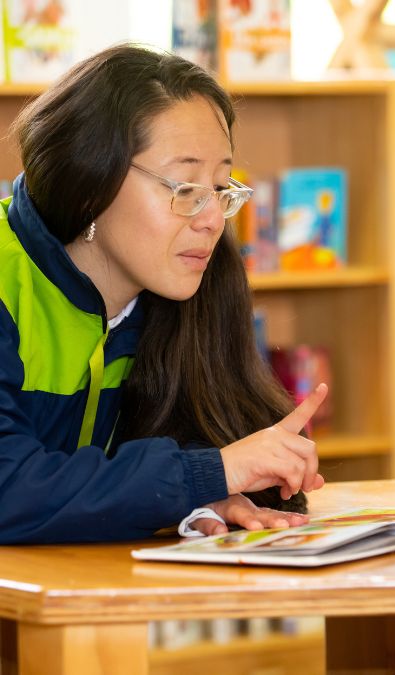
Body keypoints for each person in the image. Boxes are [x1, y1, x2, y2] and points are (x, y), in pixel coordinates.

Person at [0, 43, 328, 544]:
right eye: (184, 187)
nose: (213, 219)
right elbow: (9, 488)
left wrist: (202, 496)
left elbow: (188, 442)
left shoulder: (181, 284)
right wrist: (207, 473)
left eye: (222, 188)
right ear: (90, 179)